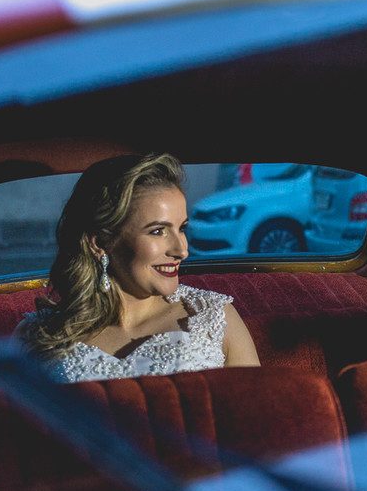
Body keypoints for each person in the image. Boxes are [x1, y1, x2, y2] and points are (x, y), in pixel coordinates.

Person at [18, 153, 260, 382]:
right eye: (158, 231)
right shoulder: (37, 335)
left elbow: (258, 420)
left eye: (182, 228)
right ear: (101, 242)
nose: (182, 251)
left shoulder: (215, 317)